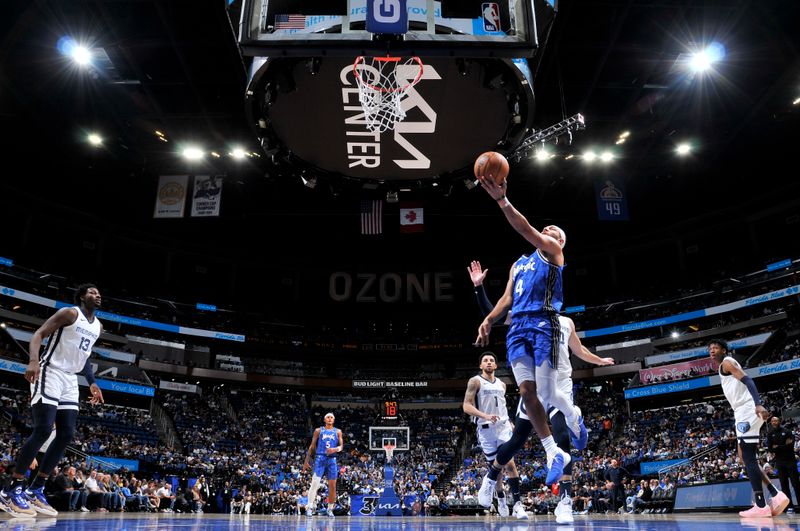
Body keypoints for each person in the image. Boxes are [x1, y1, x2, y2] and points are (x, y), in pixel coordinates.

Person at [469, 260, 614, 523]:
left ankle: (565, 501)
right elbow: (495, 313)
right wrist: (479, 288)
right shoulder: (528, 318)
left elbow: (580, 351)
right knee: (516, 441)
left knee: (562, 439)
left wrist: (599, 361)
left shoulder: (566, 322)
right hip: (536, 389)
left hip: (559, 386)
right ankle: (491, 478)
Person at [474, 177, 587, 508]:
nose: (548, 231)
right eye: (547, 228)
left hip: (543, 324)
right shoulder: (518, 264)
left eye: (554, 231)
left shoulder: (553, 252)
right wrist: (489, 319)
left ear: (559, 241)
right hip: (518, 329)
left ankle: (573, 425)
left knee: (548, 395)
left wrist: (502, 200)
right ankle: (554, 453)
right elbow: (506, 300)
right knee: (526, 392)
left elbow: (526, 229)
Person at [0, 284, 104, 518]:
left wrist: (92, 382)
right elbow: (38, 334)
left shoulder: (98, 326)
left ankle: (36, 489)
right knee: (44, 429)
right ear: (81, 296)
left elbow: (84, 357)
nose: (97, 295)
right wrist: (34, 361)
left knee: (66, 433)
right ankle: (11, 489)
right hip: (49, 370)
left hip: (70, 378)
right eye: (92, 292)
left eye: (99, 293)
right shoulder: (70, 313)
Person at [708, 339, 789, 517]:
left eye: (715, 348)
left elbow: (748, 380)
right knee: (744, 457)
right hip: (743, 412)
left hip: (747, 410)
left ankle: (760, 505)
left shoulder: (727, 363)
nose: (712, 351)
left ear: (723, 350)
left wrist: (758, 404)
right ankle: (776, 495)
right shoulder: (725, 365)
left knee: (749, 458)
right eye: (710, 349)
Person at [462, 351, 527, 519]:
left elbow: (501, 406)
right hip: (485, 429)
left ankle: (518, 504)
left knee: (510, 464)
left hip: (503, 427)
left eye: (492, 360)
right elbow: (466, 406)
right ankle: (501, 497)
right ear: (481, 366)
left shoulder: (502, 384)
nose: (489, 362)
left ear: (496, 365)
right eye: (485, 360)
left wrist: (509, 421)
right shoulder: (475, 381)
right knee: (497, 470)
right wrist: (485, 416)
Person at [302, 412, 343, 518]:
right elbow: (312, 446)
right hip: (320, 458)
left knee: (332, 486)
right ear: (325, 420)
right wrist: (307, 460)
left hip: (332, 459)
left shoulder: (338, 431)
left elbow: (341, 446)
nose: (330, 419)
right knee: (315, 483)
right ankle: (310, 507)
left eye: (331, 417)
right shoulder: (318, 430)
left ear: (333, 420)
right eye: (328, 417)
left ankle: (330, 509)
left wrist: (335, 449)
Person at [766, 416, 800, 512]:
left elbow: (790, 446)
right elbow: (770, 448)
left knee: (796, 484)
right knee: (784, 485)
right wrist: (783, 446)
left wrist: (777, 447)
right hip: (779, 462)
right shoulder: (770, 433)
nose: (774, 422)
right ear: (771, 423)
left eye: (776, 420)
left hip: (790, 460)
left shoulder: (787, 431)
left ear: (779, 421)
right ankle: (790, 506)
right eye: (772, 421)